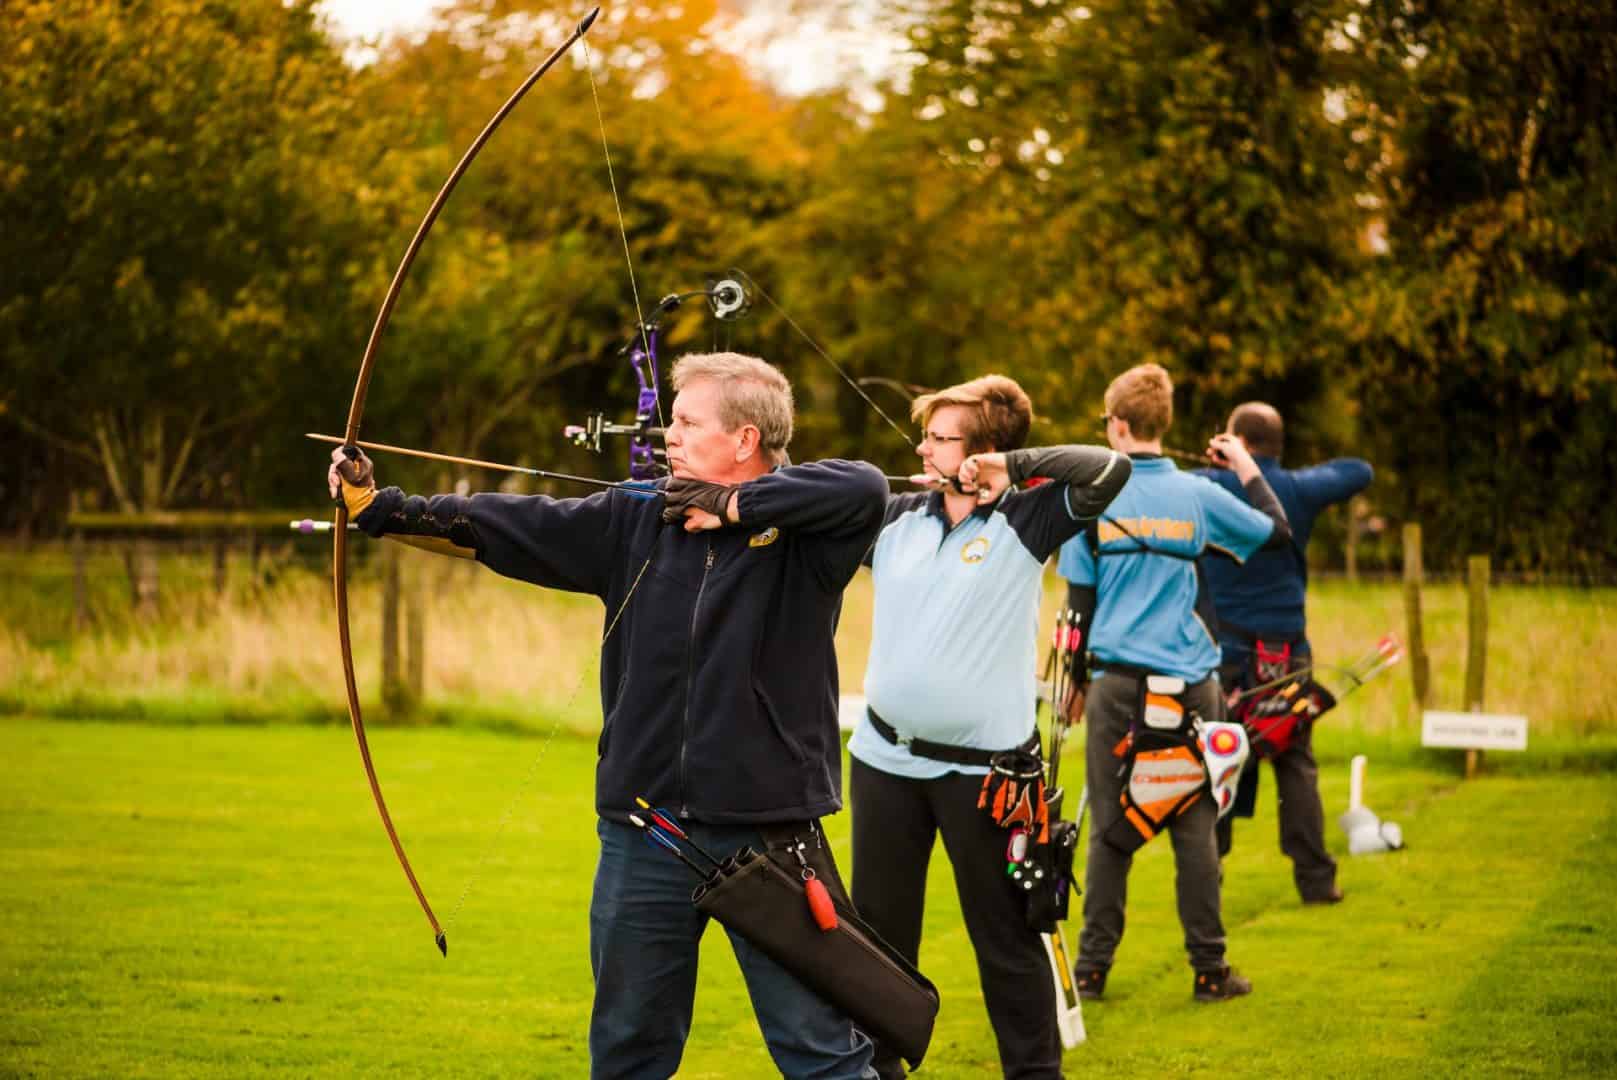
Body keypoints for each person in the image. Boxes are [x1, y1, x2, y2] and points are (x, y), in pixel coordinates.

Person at [327, 352, 888, 1080]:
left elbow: (863, 485)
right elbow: (499, 525)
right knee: (628, 1051)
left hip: (769, 831)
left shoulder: (809, 539)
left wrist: (731, 507)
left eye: (686, 421)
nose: (669, 435)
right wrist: (379, 508)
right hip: (644, 830)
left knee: (820, 1054)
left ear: (744, 440)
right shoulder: (636, 519)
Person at [847, 374, 1128, 1080]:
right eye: (927, 433)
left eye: (939, 436)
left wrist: (1016, 471)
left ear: (983, 452)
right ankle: (878, 1071)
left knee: (1005, 940)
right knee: (877, 942)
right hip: (884, 764)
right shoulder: (893, 516)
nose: (921, 445)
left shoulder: (1027, 519)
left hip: (986, 777)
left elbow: (1110, 469)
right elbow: (801, 502)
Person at [1055, 363, 1291, 1004]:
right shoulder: (1199, 496)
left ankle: (1091, 971)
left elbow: (1079, 605)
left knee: (1110, 828)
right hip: (1192, 685)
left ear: (1120, 425)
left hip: (1116, 689)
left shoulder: (1092, 497)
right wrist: (1244, 464)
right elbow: (1277, 533)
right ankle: (1210, 971)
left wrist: (1071, 683)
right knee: (1195, 822)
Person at [1195, 402, 1374, 904]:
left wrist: (1219, 464)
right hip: (1287, 652)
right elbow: (1359, 471)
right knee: (1294, 760)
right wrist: (1278, 472)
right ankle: (1316, 881)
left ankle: (1209, 881)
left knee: (1220, 760)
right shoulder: (1296, 489)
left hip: (1226, 651)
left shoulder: (1212, 487)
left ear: (1237, 442)